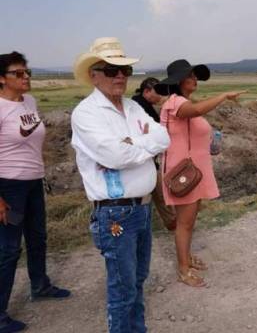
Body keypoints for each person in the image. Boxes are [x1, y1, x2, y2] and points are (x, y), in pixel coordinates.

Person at [71, 37, 170, 333]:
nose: (119, 76)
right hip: (115, 214)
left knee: (138, 281)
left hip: (141, 209)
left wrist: (134, 144)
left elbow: (164, 137)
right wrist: (145, 145)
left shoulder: (132, 107)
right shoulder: (86, 113)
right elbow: (115, 156)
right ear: (93, 74)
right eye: (111, 69)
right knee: (122, 289)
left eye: (124, 70)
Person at [153, 59, 245, 287]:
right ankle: (183, 269)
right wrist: (224, 95)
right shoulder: (174, 102)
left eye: (195, 76)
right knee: (184, 223)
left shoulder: (181, 101)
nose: (195, 79)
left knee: (189, 220)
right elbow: (195, 110)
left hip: (194, 173)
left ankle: (186, 258)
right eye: (191, 76)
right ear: (178, 81)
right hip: (184, 174)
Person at [0, 52, 71, 333]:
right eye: (18, 73)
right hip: (9, 186)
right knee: (7, 250)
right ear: (2, 78)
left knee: (38, 237)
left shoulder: (29, 102)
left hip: (33, 182)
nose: (26, 76)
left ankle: (40, 285)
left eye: (27, 71)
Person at [132, 77, 175, 231]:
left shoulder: (142, 105)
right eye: (158, 92)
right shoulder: (139, 106)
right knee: (158, 193)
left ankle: (172, 223)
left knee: (154, 194)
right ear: (147, 91)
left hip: (146, 159)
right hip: (143, 159)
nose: (160, 96)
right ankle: (173, 224)